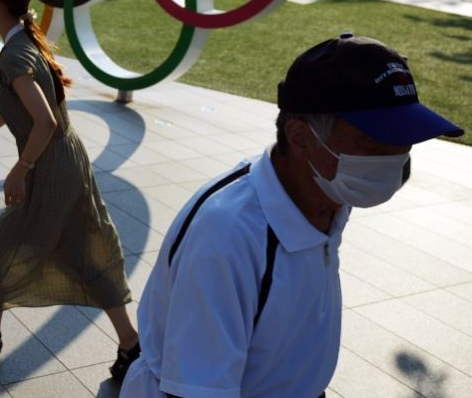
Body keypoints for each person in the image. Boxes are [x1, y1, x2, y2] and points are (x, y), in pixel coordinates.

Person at [120, 34, 464, 397]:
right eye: (371, 142)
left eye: (405, 139)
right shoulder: (227, 236)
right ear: (301, 138)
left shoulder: (328, 193)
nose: (396, 158)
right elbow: (195, 388)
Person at [0, 0, 140, 381]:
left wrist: (21, 168)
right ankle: (131, 344)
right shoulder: (25, 43)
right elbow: (37, 108)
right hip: (67, 160)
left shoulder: (15, 54)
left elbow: (45, 121)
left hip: (49, 167)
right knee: (83, 252)